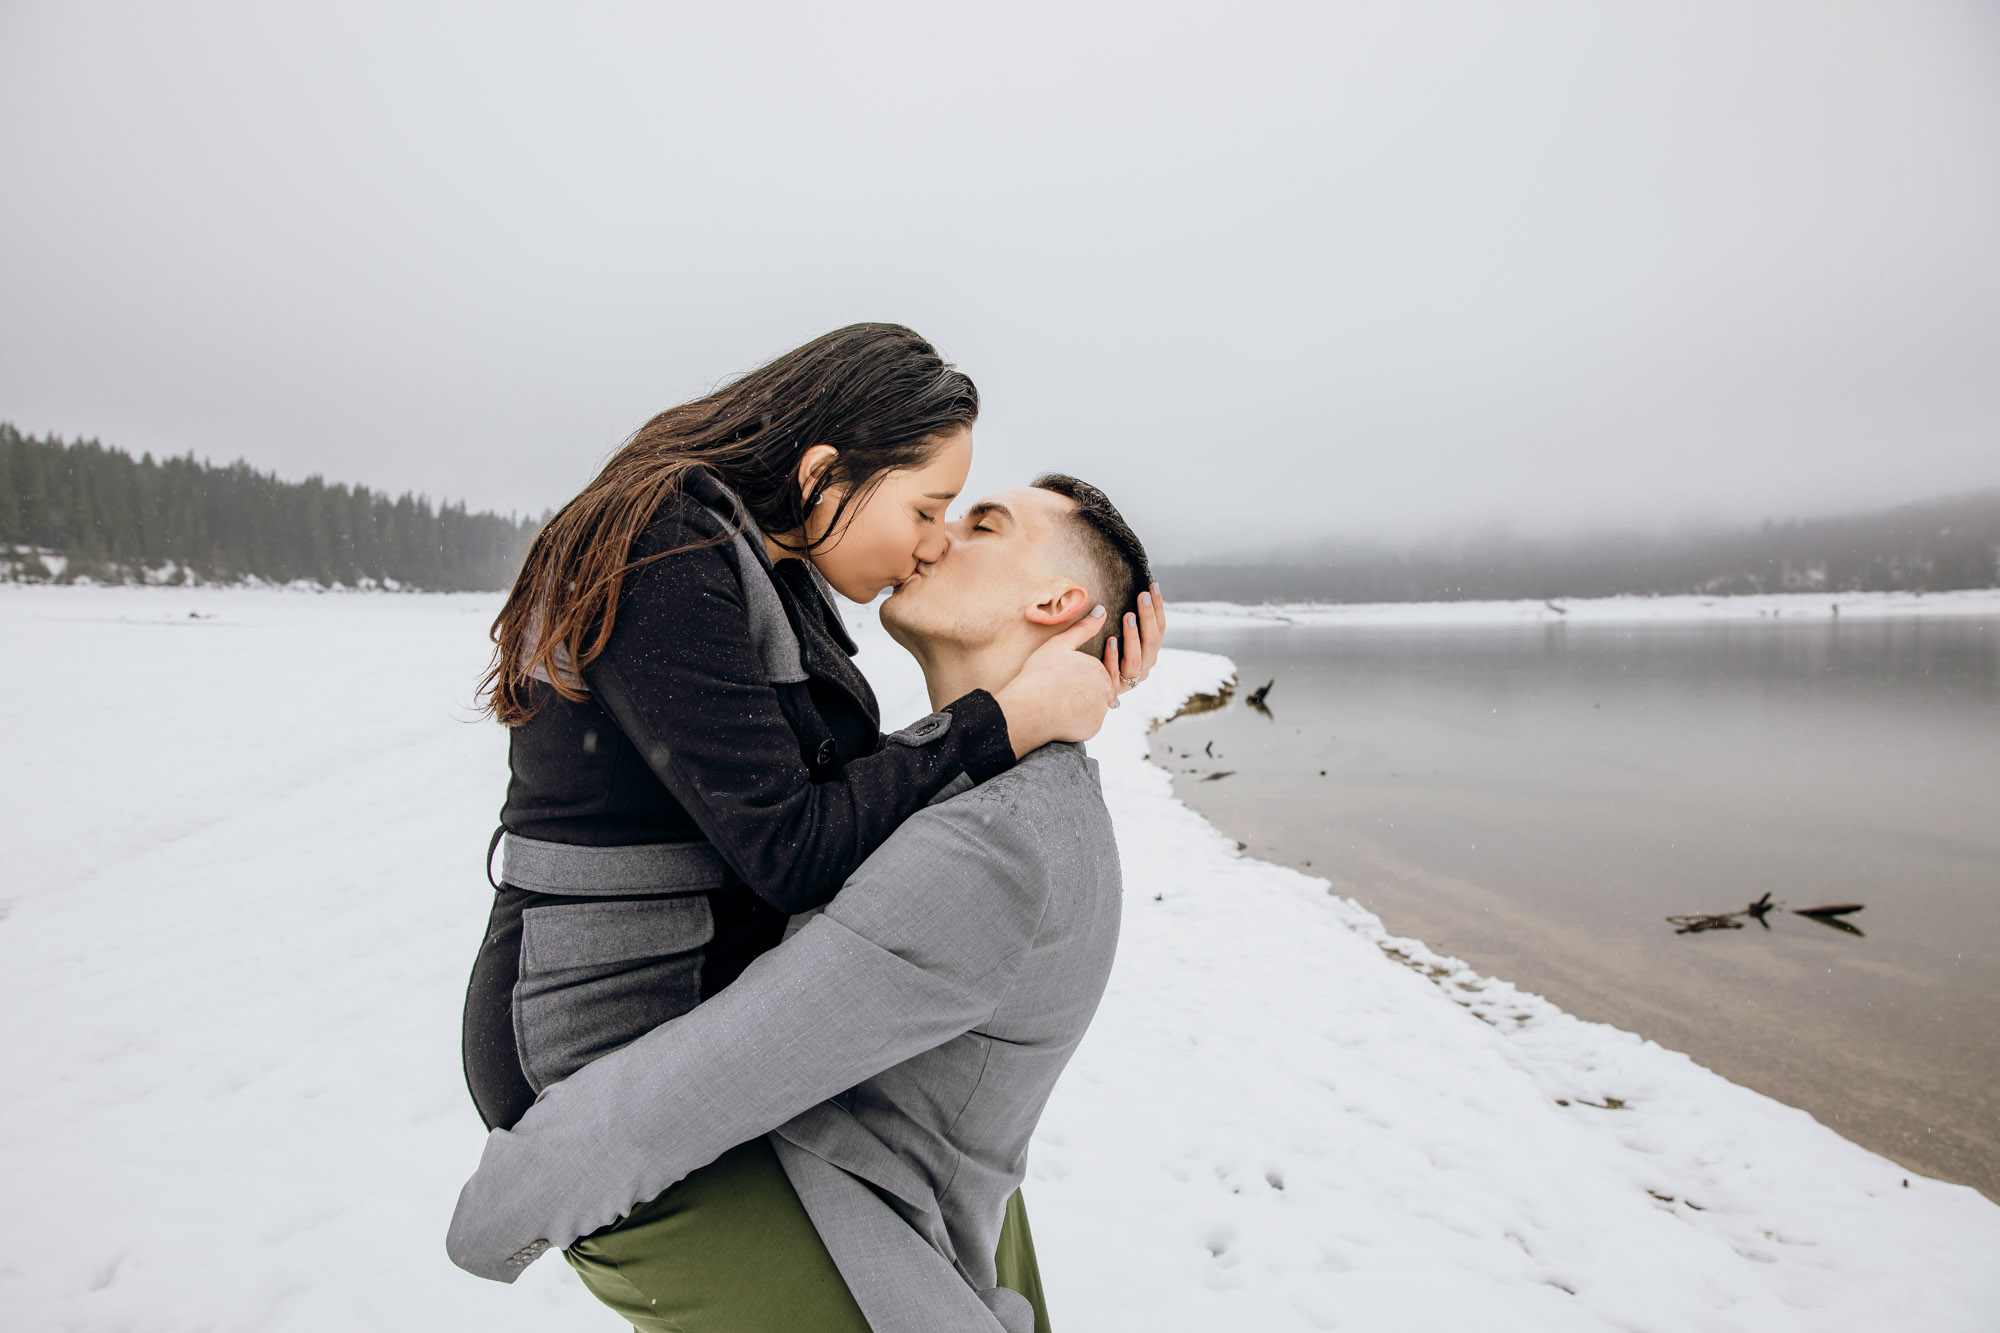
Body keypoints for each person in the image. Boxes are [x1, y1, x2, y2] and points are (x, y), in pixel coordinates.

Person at [448, 475, 1155, 1333]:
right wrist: (1070, 680)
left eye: (982, 524)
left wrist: (505, 1211)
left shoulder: (992, 846)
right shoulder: (1024, 790)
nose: (934, 540)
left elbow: (726, 1068)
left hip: (862, 1231)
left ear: (1056, 600)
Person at [462, 324, 1163, 1135]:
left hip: (678, 1026)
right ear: (825, 474)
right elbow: (795, 847)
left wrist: (1080, 662)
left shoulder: (772, 571)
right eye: (929, 509)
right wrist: (1010, 717)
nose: (934, 542)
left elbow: (849, 797)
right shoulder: (670, 547)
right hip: (583, 1035)